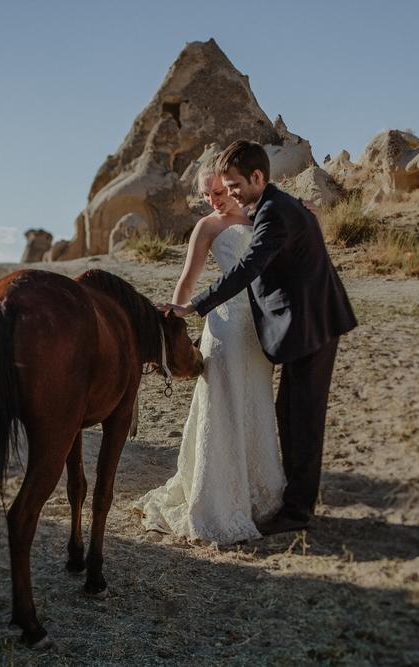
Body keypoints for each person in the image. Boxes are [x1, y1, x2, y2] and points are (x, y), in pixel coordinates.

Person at [164, 140, 357, 535]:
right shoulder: (270, 207)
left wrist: (194, 307)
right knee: (287, 411)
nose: (228, 195)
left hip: (311, 324)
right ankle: (290, 500)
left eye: (233, 187)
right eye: (220, 190)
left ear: (257, 178)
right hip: (295, 323)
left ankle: (298, 511)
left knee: (301, 417)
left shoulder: (273, 213)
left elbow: (248, 267)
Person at [132, 159, 286, 545]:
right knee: (222, 405)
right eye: (205, 195)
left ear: (232, 185)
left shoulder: (258, 218)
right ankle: (215, 499)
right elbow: (188, 280)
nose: (214, 201)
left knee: (255, 403)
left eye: (218, 192)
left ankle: (260, 496)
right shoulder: (207, 227)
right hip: (225, 328)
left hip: (258, 330)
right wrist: (172, 322)